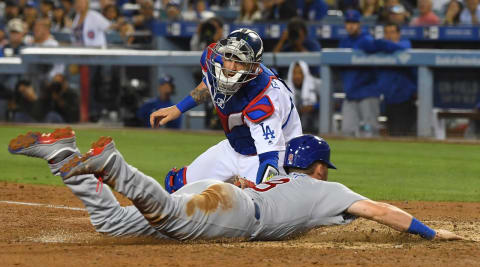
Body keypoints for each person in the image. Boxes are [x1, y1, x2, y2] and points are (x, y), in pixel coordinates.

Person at [8, 129, 464, 242]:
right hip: (234, 213)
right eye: (327, 166)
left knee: (110, 223)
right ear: (320, 167)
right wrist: (429, 232)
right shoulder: (335, 193)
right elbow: (381, 211)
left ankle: (60, 153)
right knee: (165, 213)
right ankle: (113, 165)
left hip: (222, 191)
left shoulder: (275, 172)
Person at [150, 28, 303, 192]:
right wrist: (178, 108)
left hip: (273, 154)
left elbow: (269, 160)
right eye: (228, 56)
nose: (230, 66)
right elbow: (210, 84)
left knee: (251, 208)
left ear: (254, 67)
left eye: (239, 61)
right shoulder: (216, 60)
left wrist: (258, 192)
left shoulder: (264, 99)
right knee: (176, 184)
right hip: (236, 147)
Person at [339, 10, 380, 137]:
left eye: (354, 23)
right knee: (347, 131)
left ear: (359, 24)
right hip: (350, 95)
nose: (351, 26)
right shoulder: (343, 42)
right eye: (348, 22)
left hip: (367, 93)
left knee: (369, 132)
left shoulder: (367, 40)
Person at [374, 24, 417, 136]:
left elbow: (401, 47)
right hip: (388, 99)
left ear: (398, 34)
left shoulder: (405, 44)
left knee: (404, 133)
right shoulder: (382, 50)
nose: (389, 35)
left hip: (404, 98)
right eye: (386, 32)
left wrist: (382, 44)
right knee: (392, 132)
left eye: (392, 32)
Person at [287, 60, 321, 133]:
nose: (297, 76)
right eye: (294, 73)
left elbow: (328, 103)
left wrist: (314, 106)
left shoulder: (316, 84)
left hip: (316, 120)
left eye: (300, 73)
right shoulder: (285, 87)